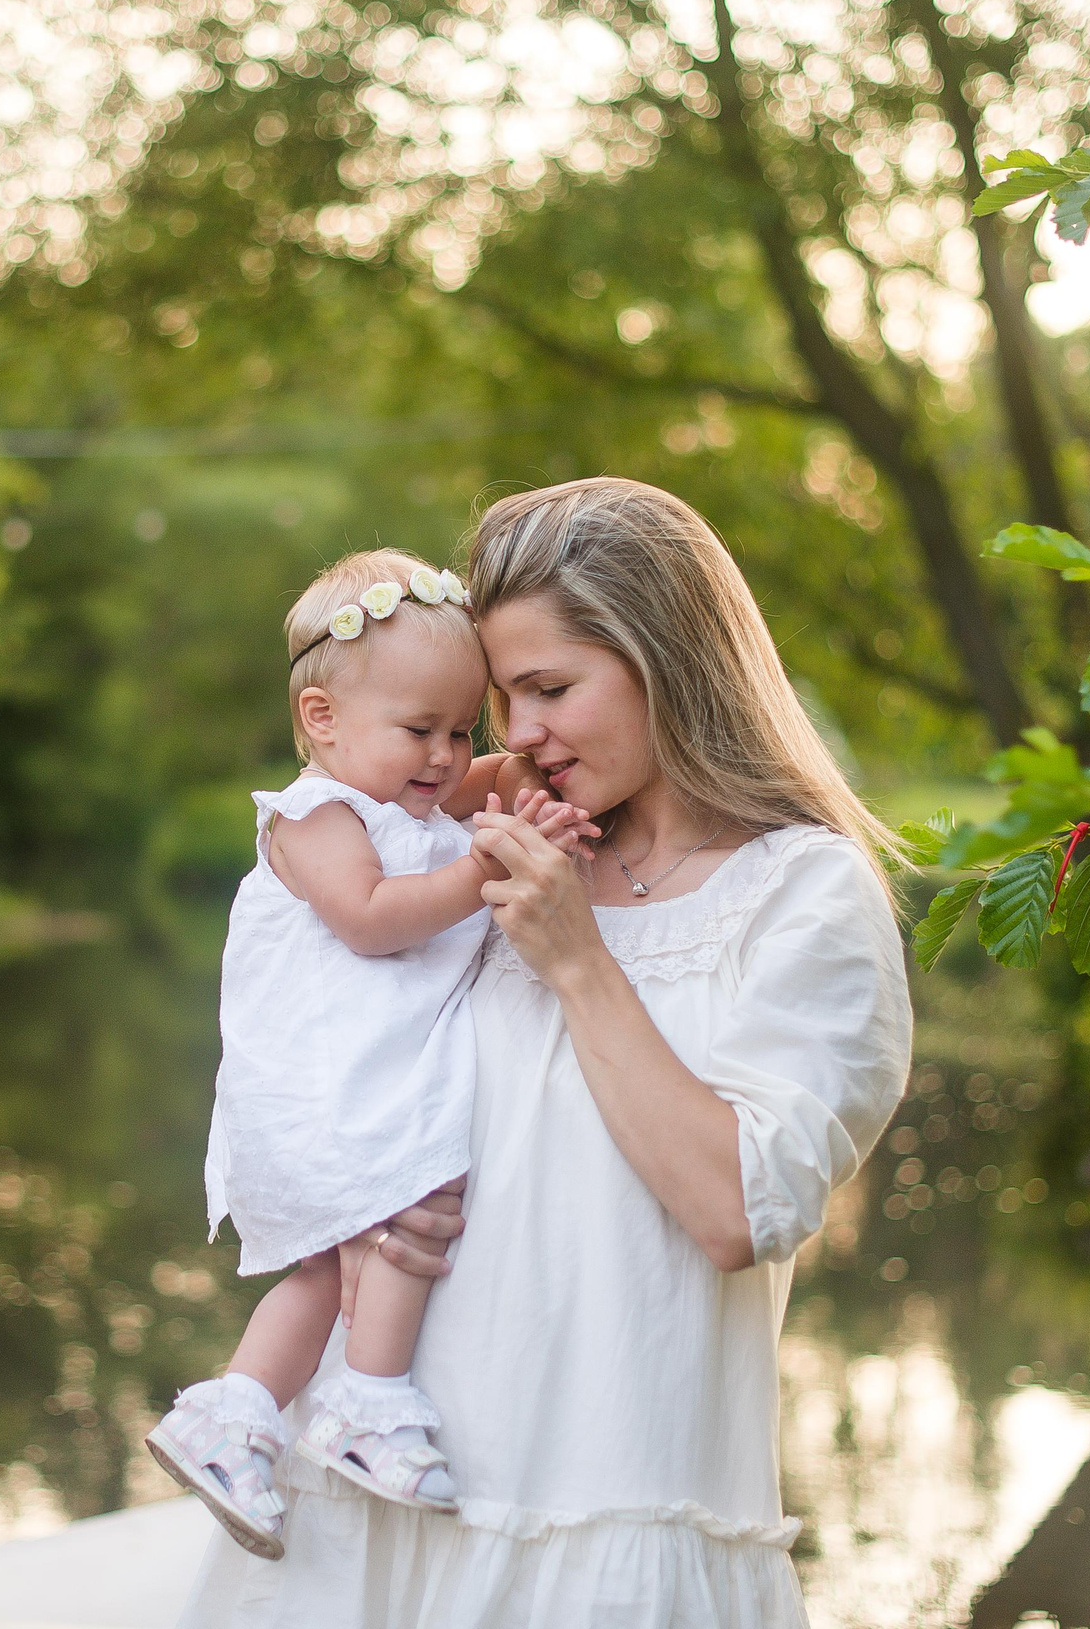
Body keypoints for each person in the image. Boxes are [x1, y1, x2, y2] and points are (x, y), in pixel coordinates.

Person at [178, 479, 915, 1626]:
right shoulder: (486, 851)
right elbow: (335, 1040)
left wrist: (578, 960)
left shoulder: (804, 891)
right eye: (502, 697)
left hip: (599, 1516)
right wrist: (356, 1192)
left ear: (666, 660)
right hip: (380, 1491)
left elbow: (734, 1208)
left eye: (548, 689)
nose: (514, 735)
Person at [148, 549, 595, 1560]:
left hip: (359, 1083)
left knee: (319, 1276)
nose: (445, 755)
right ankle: (368, 1400)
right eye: (418, 729)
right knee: (413, 1213)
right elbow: (370, 918)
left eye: (459, 728)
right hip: (321, 1094)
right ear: (321, 720)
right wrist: (489, 860)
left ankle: (230, 1414)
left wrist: (538, 801)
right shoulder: (316, 817)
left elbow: (505, 776)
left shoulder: (414, 801)